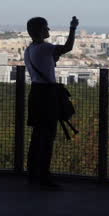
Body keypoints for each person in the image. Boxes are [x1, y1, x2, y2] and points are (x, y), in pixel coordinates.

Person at [24, 15, 78, 190]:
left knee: (37, 136)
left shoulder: (29, 50)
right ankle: (44, 177)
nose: (49, 30)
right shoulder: (45, 48)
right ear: (40, 30)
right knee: (48, 137)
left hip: (36, 93)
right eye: (46, 27)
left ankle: (33, 173)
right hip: (47, 95)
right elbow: (68, 47)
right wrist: (73, 28)